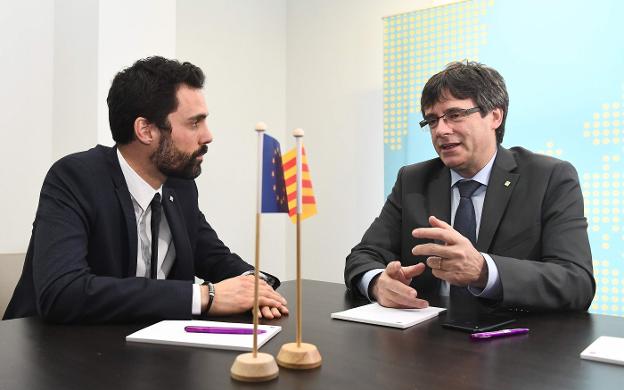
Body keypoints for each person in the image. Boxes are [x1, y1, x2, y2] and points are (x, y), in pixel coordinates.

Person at [4, 56, 288, 323]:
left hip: (141, 355)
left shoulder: (180, 185)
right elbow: (63, 292)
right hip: (47, 357)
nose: (208, 135)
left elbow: (212, 256)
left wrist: (256, 284)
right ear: (146, 130)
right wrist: (205, 296)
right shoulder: (75, 179)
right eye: (194, 122)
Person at [345, 61, 595, 312]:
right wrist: (378, 283)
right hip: (427, 337)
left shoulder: (549, 177)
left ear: (495, 116)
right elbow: (362, 256)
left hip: (518, 340)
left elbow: (577, 282)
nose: (440, 130)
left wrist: (484, 271)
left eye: (455, 115)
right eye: (432, 121)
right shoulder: (413, 180)